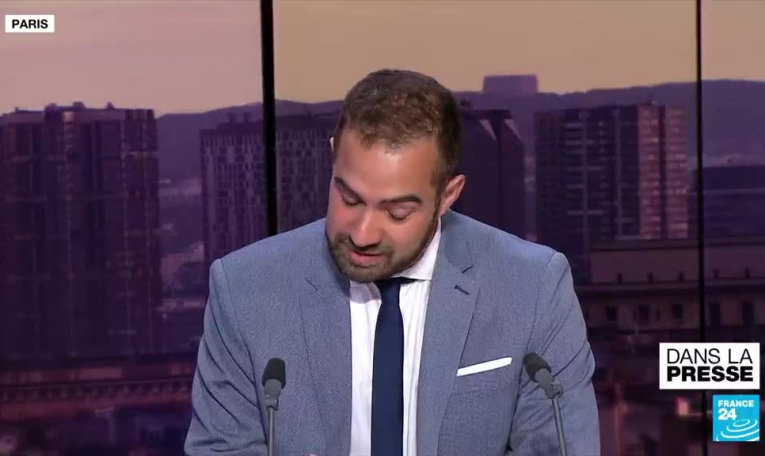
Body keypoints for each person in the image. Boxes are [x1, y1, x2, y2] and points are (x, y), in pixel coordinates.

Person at [184, 69, 599, 456]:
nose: (363, 234)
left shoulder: (532, 288)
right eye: (349, 198)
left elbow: (558, 447)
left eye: (397, 212)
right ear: (334, 155)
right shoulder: (245, 290)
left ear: (448, 195)